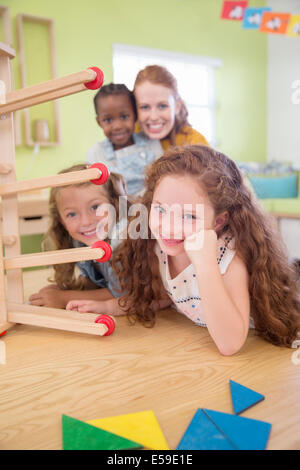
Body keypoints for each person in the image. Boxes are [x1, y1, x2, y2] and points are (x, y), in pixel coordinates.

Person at [66, 146, 300, 356]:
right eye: (160, 210)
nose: (168, 227)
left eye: (189, 216)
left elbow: (230, 344)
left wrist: (206, 265)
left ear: (219, 221)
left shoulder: (228, 259)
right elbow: (160, 298)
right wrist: (108, 307)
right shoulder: (159, 247)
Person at [29, 164, 128, 309]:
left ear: (114, 204)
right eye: (72, 214)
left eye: (95, 207)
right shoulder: (80, 242)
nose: (86, 222)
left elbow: (124, 293)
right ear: (61, 220)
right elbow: (95, 282)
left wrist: (65, 298)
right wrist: (66, 290)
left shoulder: (120, 242)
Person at [86, 83, 162, 196]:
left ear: (135, 115)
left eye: (124, 117)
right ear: (99, 122)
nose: (117, 126)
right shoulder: (96, 152)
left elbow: (161, 177)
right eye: (108, 120)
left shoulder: (151, 142)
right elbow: (93, 190)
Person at [133, 65, 209, 150]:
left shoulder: (195, 143)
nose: (154, 117)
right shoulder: (128, 137)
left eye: (162, 106)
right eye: (145, 107)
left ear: (177, 107)